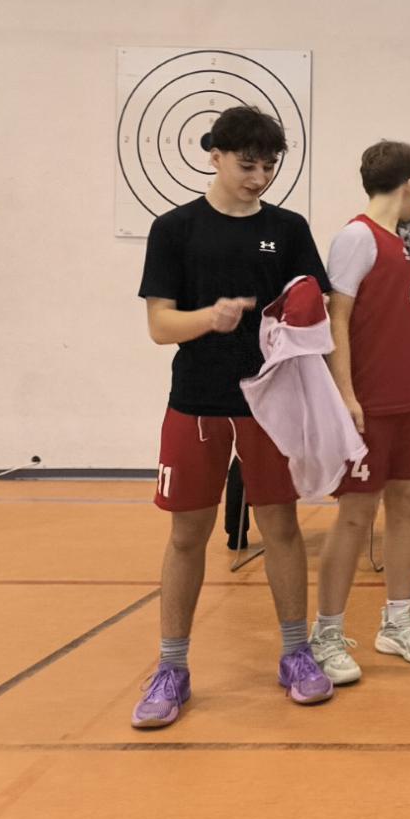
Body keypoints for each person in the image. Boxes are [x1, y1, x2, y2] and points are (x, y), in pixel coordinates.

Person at [132, 107, 335, 729]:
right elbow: (160, 325)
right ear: (215, 155)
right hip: (196, 402)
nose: (259, 177)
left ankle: (296, 654)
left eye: (269, 166)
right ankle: (172, 667)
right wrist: (210, 317)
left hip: (270, 403)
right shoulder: (175, 229)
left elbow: (316, 306)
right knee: (187, 536)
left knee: (282, 527)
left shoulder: (288, 229)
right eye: (248, 164)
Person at [310, 140, 410, 682]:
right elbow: (337, 318)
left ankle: (398, 621)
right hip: (371, 402)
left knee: (408, 503)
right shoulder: (357, 237)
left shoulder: (404, 243)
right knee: (355, 514)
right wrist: (345, 395)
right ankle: (326, 632)